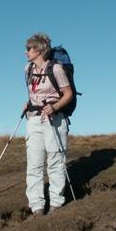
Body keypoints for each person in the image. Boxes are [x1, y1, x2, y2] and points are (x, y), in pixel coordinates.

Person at [22, 33, 74, 217]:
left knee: (55, 162)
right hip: (34, 119)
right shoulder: (28, 69)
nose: (26, 52)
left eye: (29, 48)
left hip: (55, 120)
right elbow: (33, 93)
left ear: (39, 50)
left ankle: (56, 205)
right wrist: (28, 103)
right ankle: (36, 207)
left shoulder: (56, 69)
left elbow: (68, 94)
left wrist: (55, 107)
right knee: (34, 164)